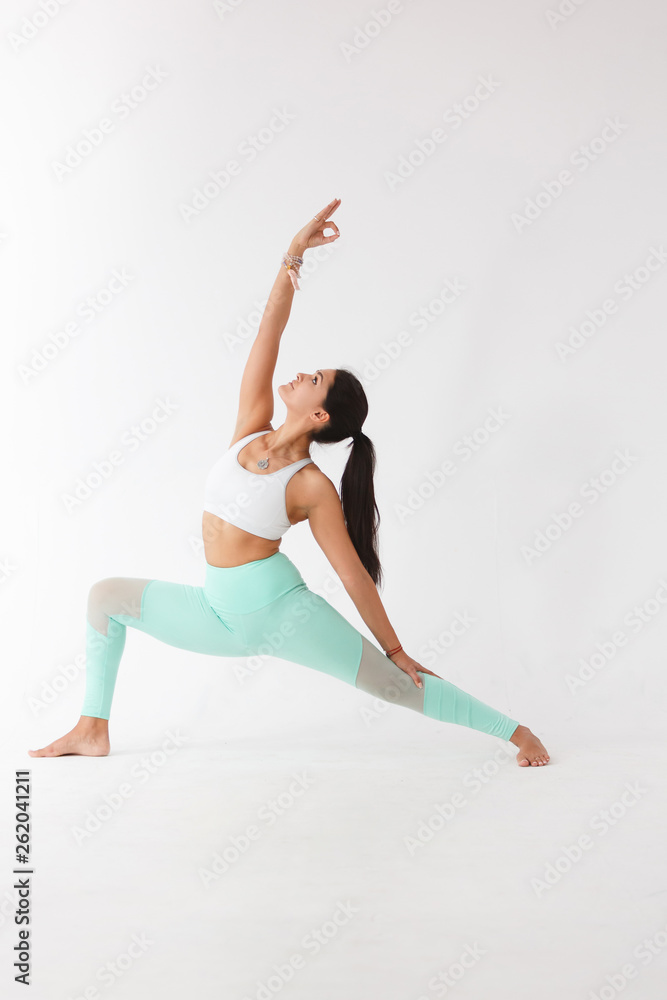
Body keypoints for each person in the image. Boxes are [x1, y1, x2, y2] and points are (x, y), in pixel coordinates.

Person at [29, 198, 549, 767]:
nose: (300, 374)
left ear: (320, 414)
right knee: (105, 598)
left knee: (393, 685)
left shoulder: (311, 486)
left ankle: (518, 733)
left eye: (314, 379)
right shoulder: (250, 429)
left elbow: (351, 572)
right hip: (217, 609)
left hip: (280, 611)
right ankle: (91, 728)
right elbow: (266, 335)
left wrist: (395, 648)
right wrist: (292, 257)